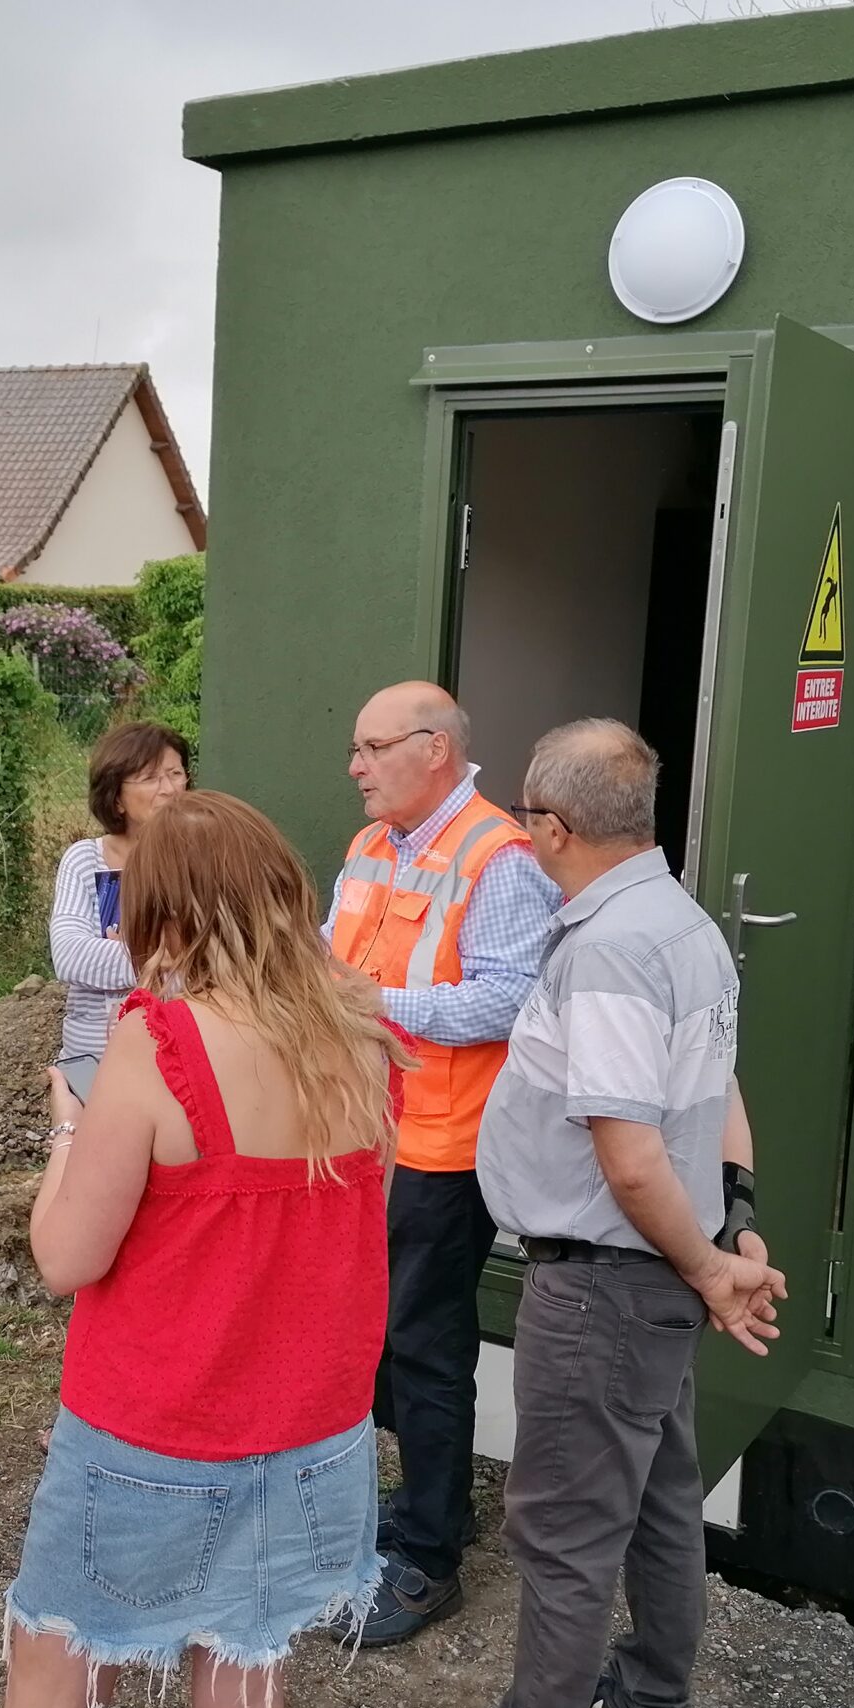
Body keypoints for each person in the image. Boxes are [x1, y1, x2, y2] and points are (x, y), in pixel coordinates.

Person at [0, 790, 412, 1708]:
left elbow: (67, 1257)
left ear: (161, 917)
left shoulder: (159, 1038)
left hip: (157, 1437)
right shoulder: (362, 1034)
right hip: (315, 1440)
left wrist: (70, 1130)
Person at [381, 720, 784, 1708]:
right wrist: (731, 1229)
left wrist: (708, 1263)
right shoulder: (684, 924)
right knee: (659, 1500)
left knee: (564, 1535)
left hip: (607, 1283)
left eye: (522, 816)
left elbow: (631, 1149)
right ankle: (650, 1705)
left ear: (550, 828)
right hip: (662, 1272)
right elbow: (720, 1088)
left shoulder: (607, 948)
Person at [326, 681, 562, 1645]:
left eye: (372, 748)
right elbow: (326, 959)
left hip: (440, 1148)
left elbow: (506, 1001)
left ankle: (428, 1558)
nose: (356, 766)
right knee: (379, 1337)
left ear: (433, 750)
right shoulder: (371, 846)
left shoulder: (497, 857)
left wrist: (371, 1010)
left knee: (425, 1346)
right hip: (363, 1134)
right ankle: (429, 1502)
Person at [48, 721, 190, 1060]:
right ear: (116, 798)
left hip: (179, 1053)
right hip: (97, 1057)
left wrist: (128, 950)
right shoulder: (85, 860)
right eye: (150, 778)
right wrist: (171, 954)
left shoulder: (200, 858)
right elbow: (70, 956)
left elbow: (225, 953)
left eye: (175, 773)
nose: (169, 788)